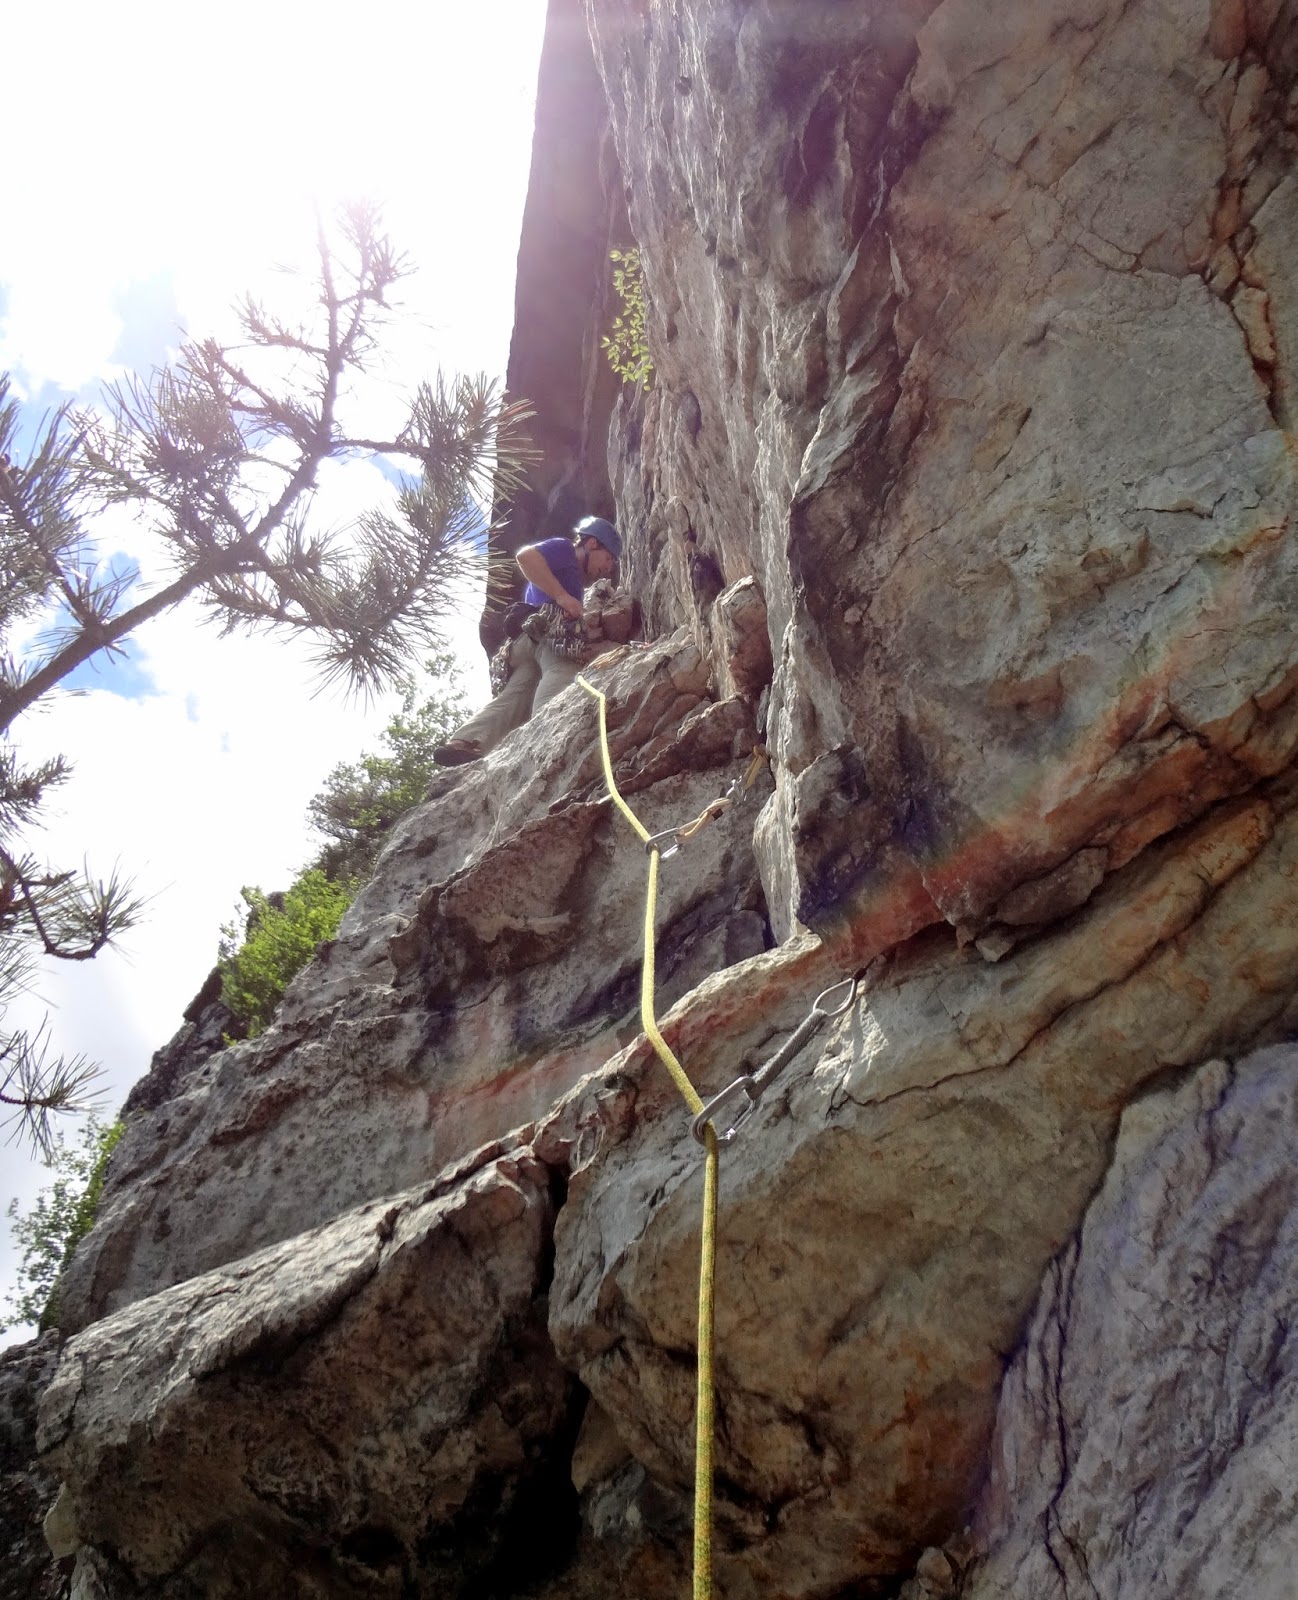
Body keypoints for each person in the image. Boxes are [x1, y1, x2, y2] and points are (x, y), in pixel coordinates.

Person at [434, 516, 622, 766]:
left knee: (517, 694)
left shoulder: (567, 577)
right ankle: (544, 738)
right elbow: (525, 557)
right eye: (608, 558)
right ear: (592, 543)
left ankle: (466, 742)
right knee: (562, 672)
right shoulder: (565, 549)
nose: (608, 568)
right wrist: (562, 597)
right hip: (549, 635)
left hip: (526, 641)